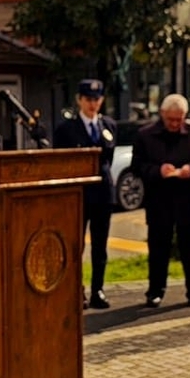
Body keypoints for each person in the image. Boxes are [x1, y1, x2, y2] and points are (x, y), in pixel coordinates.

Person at [131, 93, 190, 308]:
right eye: (170, 119)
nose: (174, 124)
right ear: (162, 114)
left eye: (179, 119)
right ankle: (155, 291)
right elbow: (136, 166)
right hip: (159, 200)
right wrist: (158, 171)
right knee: (158, 248)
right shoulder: (146, 135)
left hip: (188, 200)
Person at [54, 79, 116, 309]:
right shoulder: (66, 129)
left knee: (100, 246)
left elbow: (107, 160)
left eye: (97, 99)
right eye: (88, 99)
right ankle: (75, 289)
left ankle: (98, 289)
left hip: (102, 194)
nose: (93, 104)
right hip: (78, 195)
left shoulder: (108, 125)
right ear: (79, 100)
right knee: (75, 246)